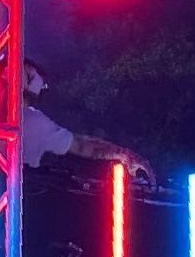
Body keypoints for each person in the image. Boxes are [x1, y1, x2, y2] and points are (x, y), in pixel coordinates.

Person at [21, 61, 155, 181]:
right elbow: (82, 146)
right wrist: (126, 154)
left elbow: (82, 145)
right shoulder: (33, 122)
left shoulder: (33, 122)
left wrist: (125, 154)